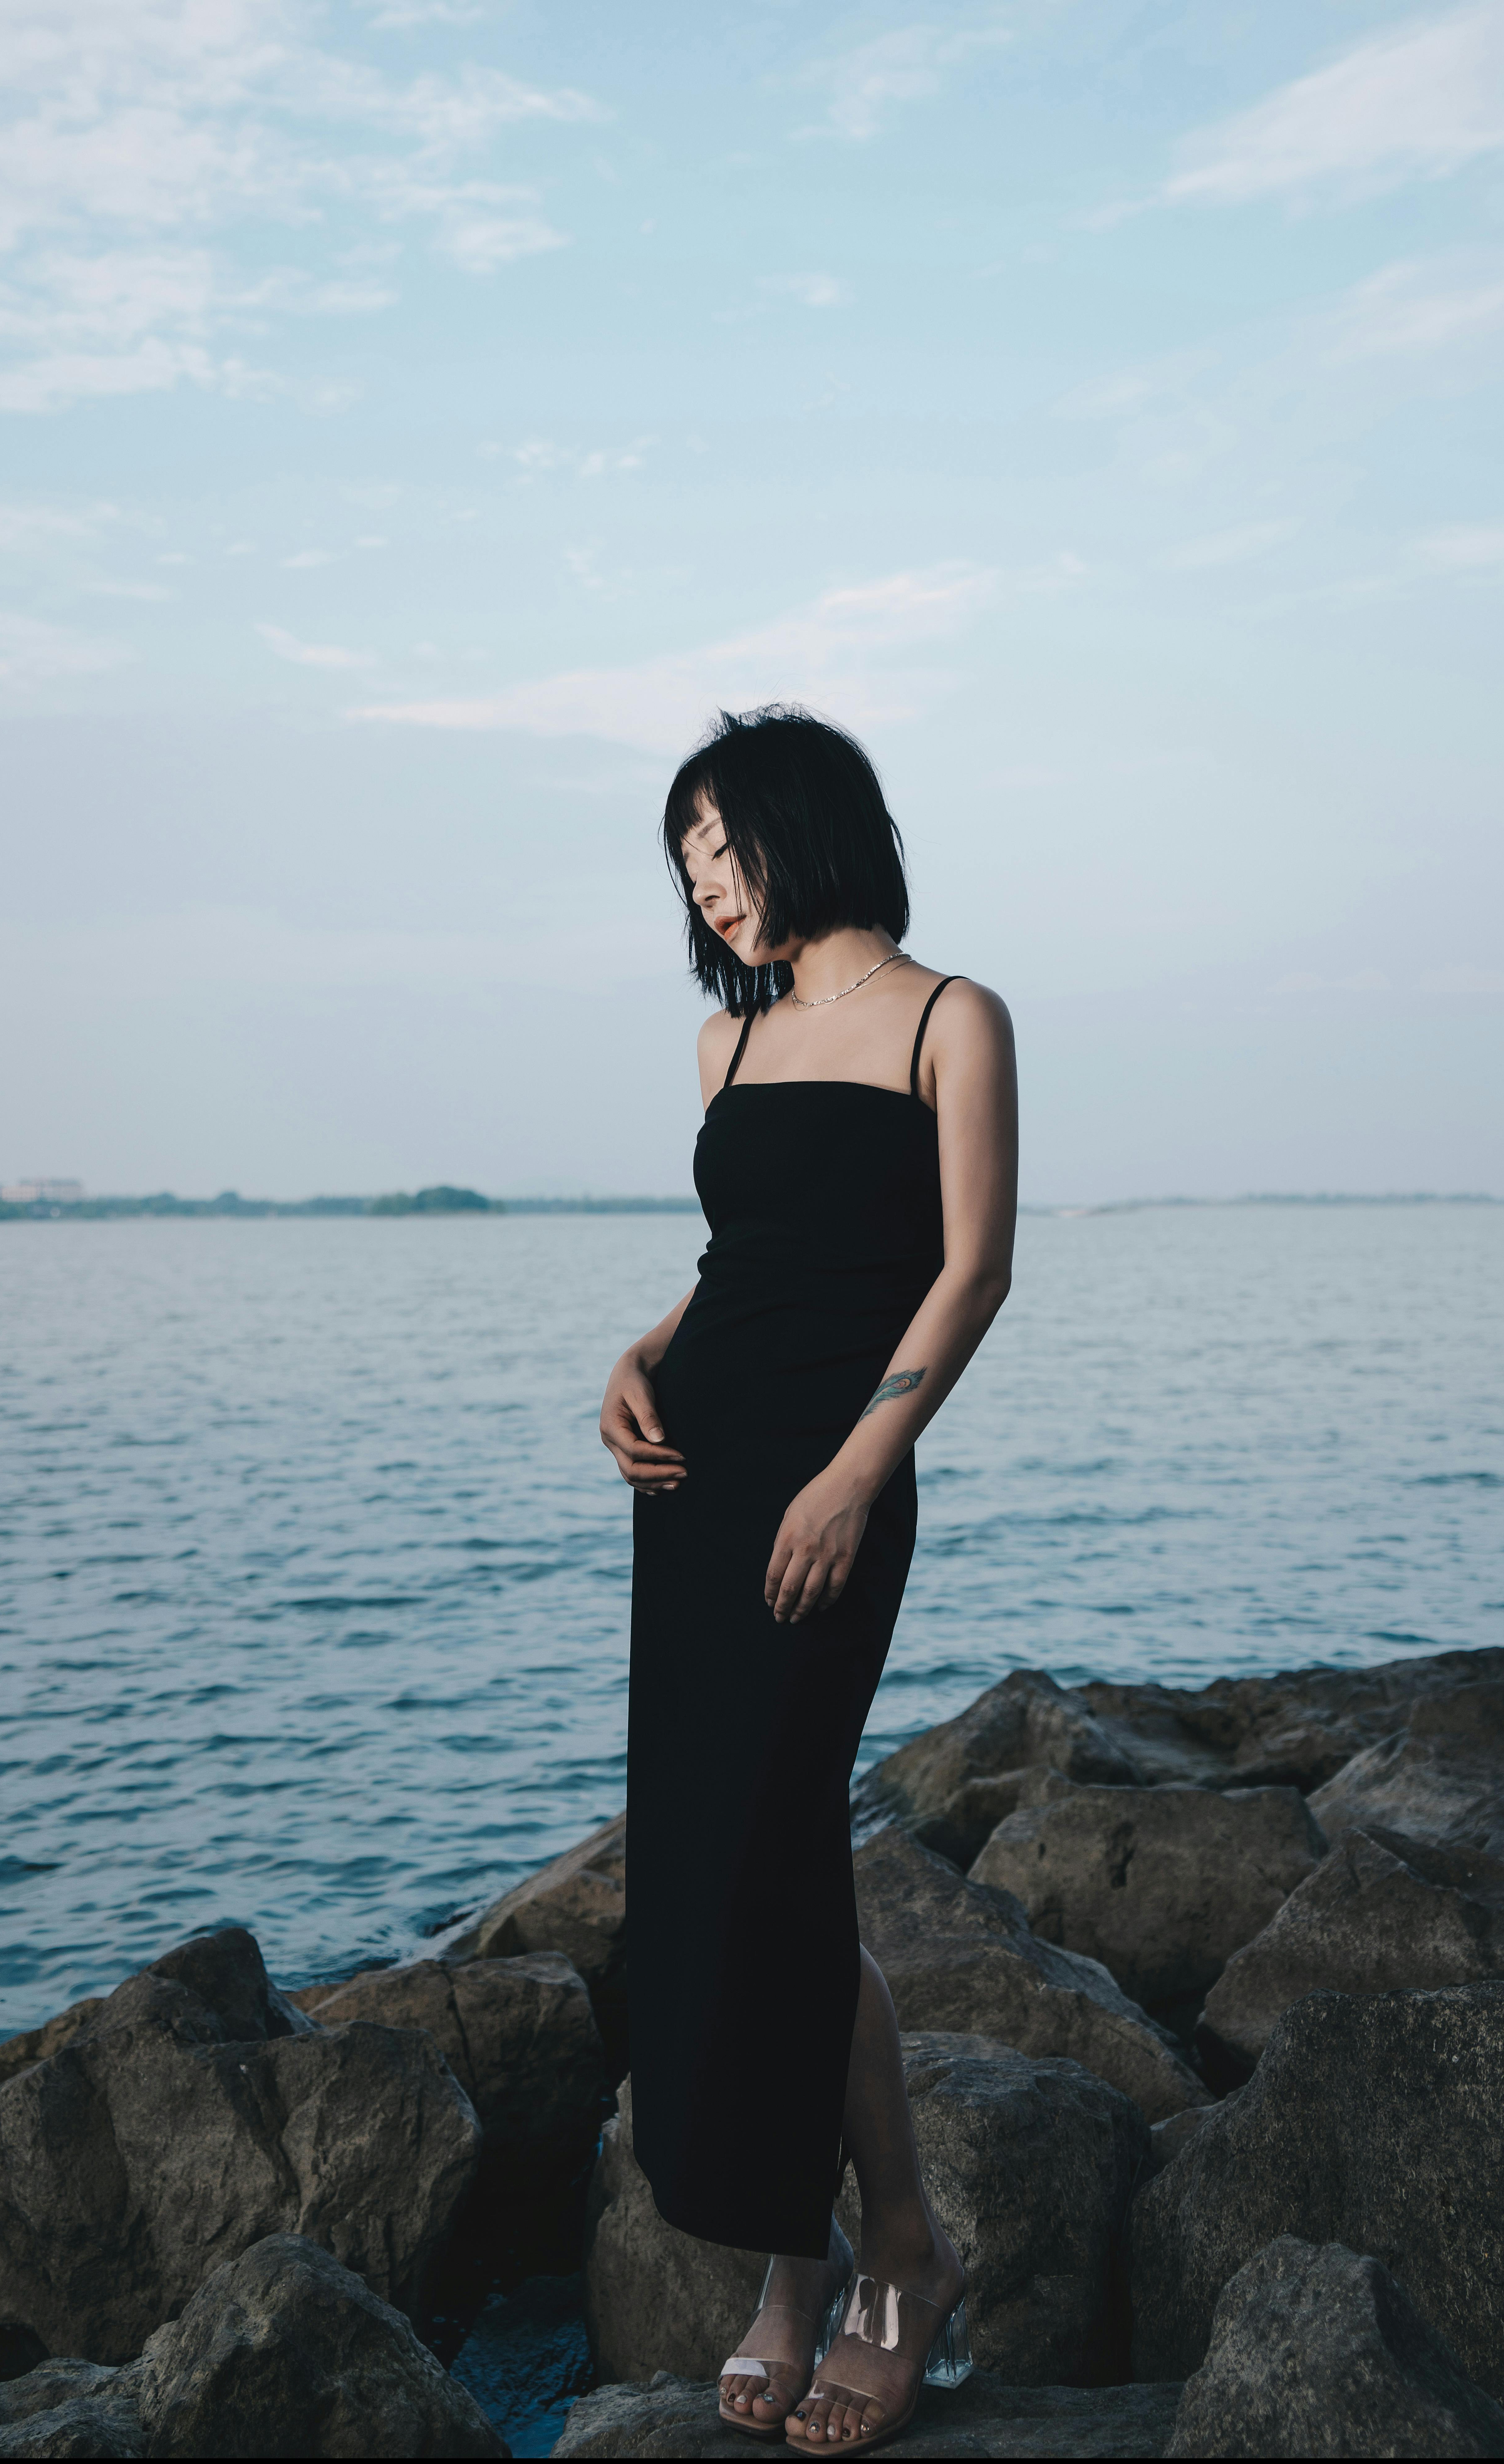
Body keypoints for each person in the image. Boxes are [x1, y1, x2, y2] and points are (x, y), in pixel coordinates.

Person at [599, 706, 1019, 2453]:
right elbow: (741, 1262)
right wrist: (639, 1347)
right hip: (695, 1482)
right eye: (683, 858)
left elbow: (971, 1272)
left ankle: (900, 2249)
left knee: (776, 1855)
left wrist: (860, 1466)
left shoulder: (949, 1018)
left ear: (806, 825)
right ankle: (795, 2267)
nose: (706, 881)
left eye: (723, 840)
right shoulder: (727, 1045)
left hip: (831, 1486)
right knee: (723, 1871)